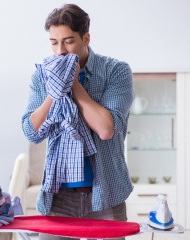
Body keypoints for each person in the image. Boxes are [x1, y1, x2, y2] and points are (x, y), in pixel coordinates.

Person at [21, 3, 134, 240]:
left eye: (68, 41)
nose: (60, 50)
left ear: (86, 38)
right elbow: (32, 132)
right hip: (59, 195)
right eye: (54, 42)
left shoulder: (116, 71)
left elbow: (105, 129)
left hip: (106, 193)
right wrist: (54, 92)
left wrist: (73, 84)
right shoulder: (43, 75)